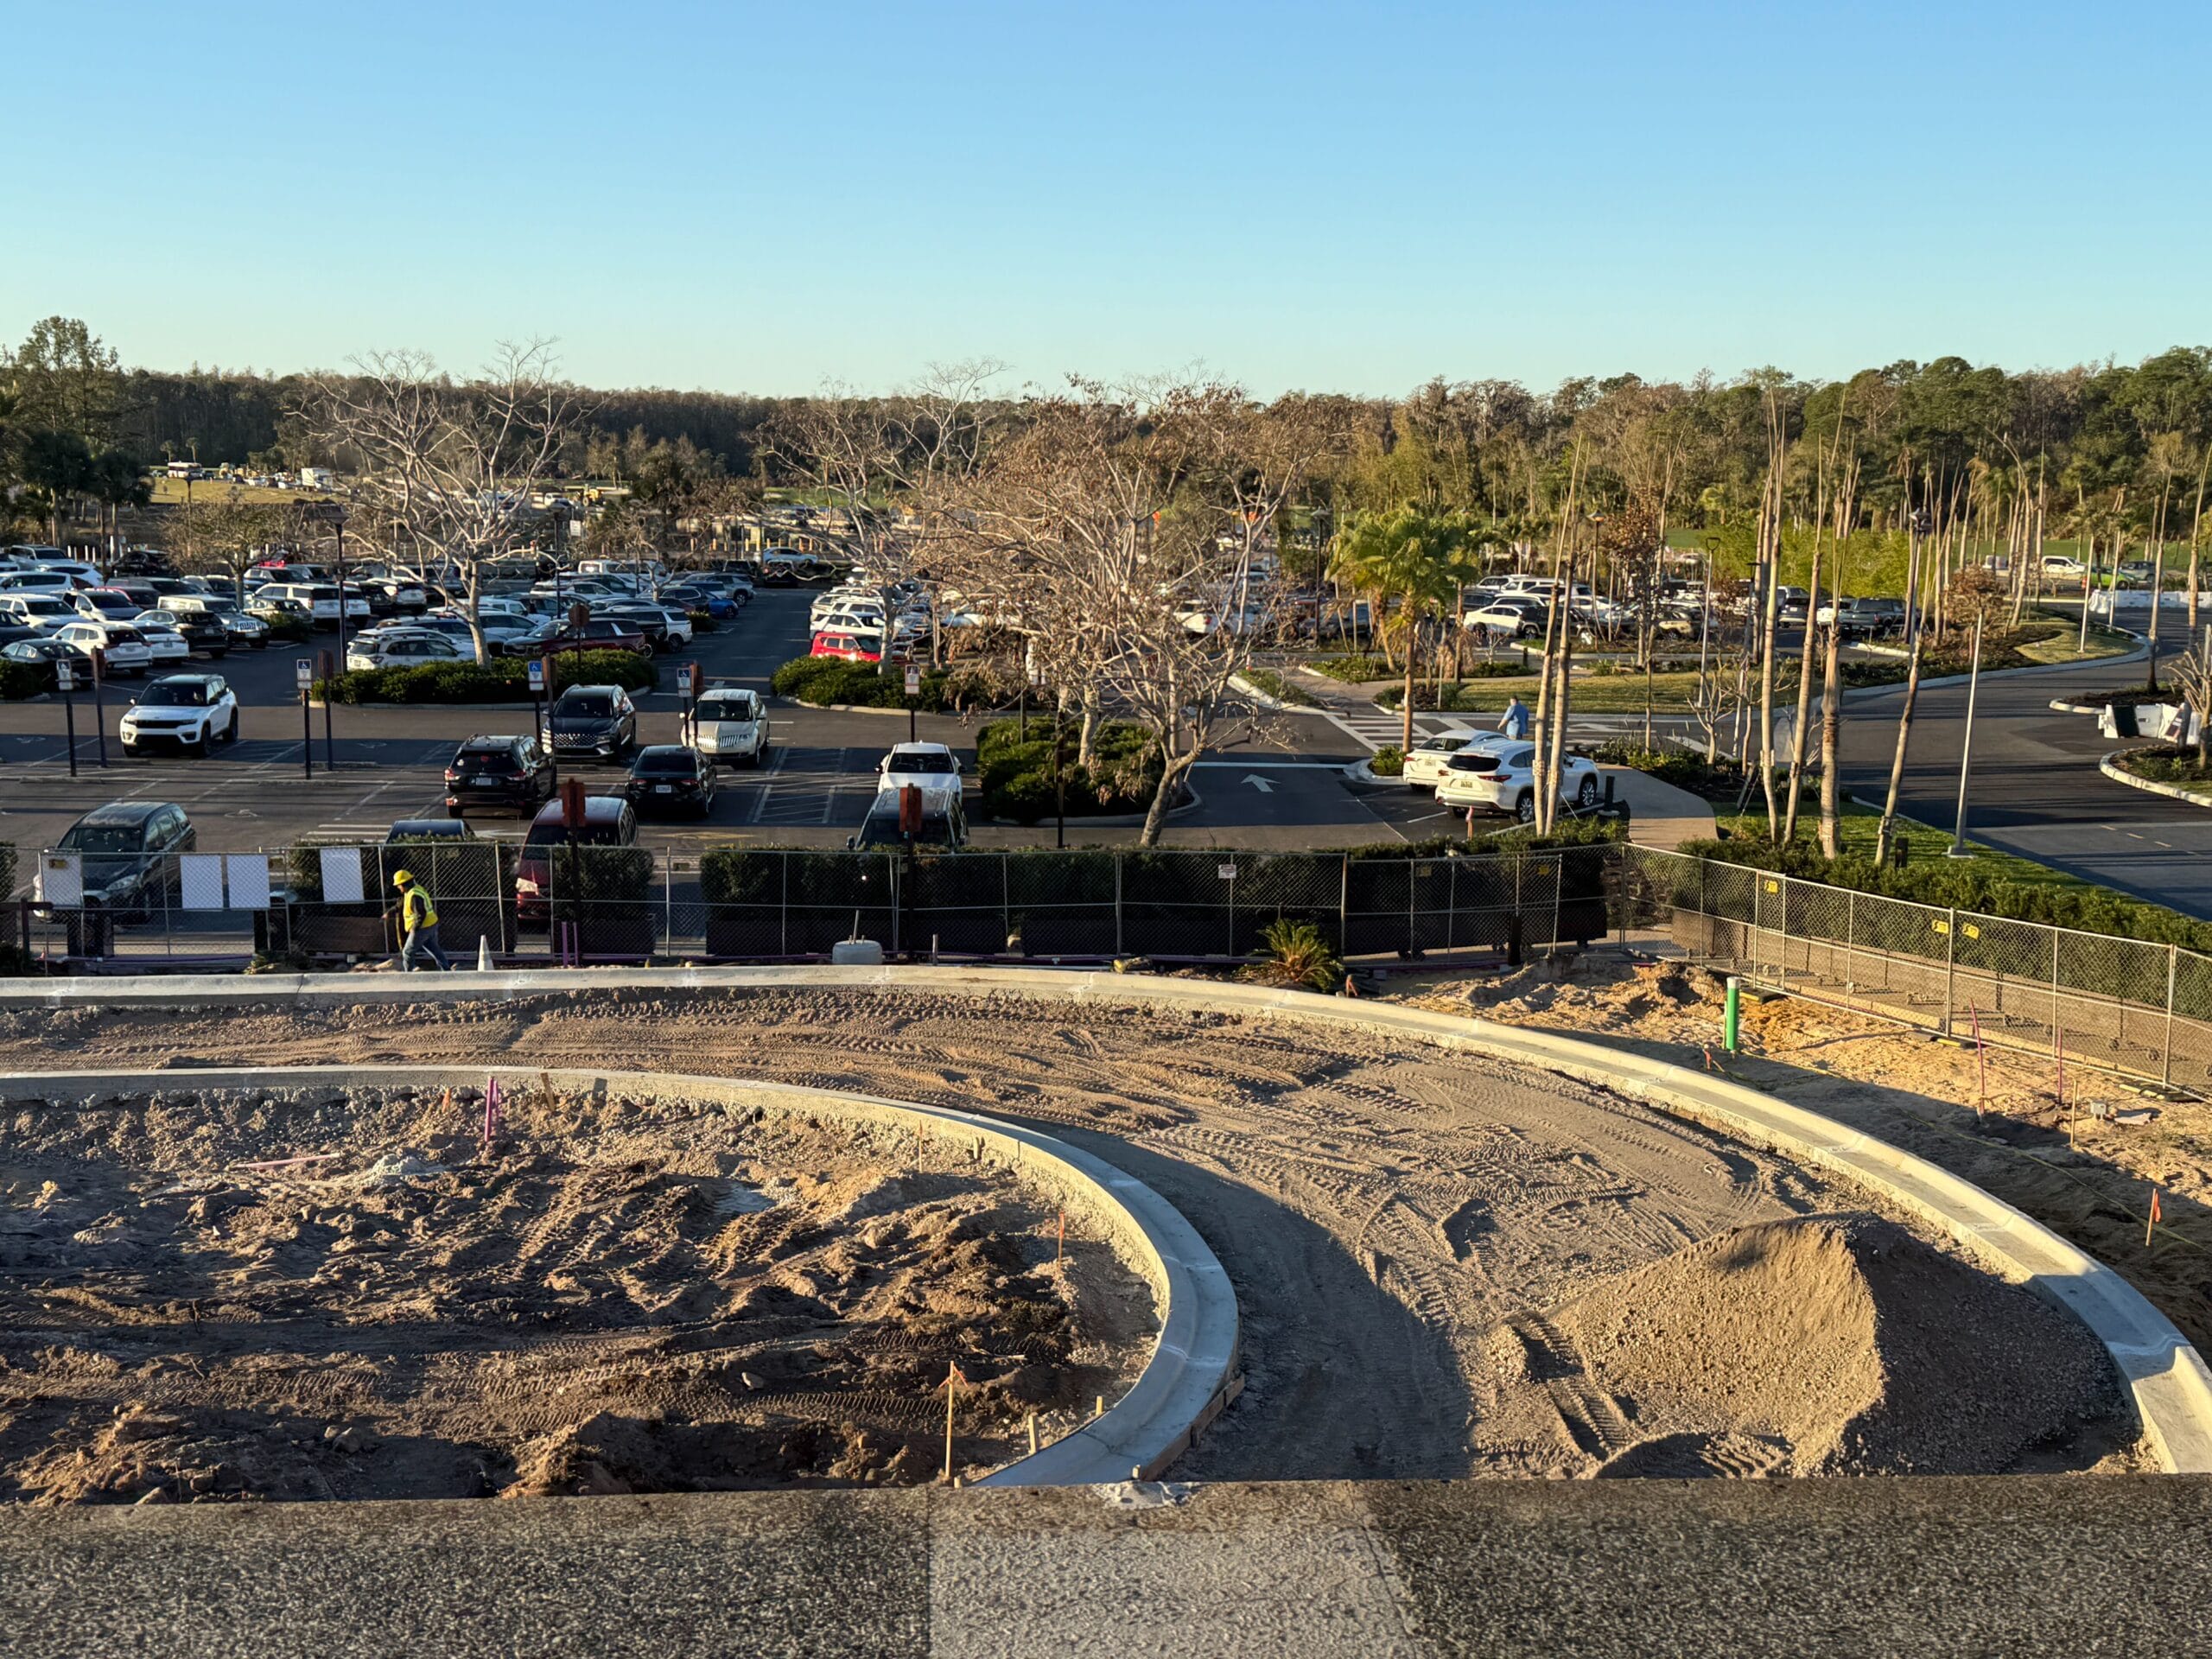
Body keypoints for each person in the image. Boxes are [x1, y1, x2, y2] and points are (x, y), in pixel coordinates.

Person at [391, 870, 449, 971]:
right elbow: (401, 905)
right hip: (431, 924)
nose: (398, 887)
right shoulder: (414, 890)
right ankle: (446, 971)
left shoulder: (414, 895)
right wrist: (389, 913)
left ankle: (408, 975)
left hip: (422, 927)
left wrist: (414, 928)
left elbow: (421, 913)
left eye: (398, 885)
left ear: (404, 884)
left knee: (408, 952)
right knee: (434, 949)